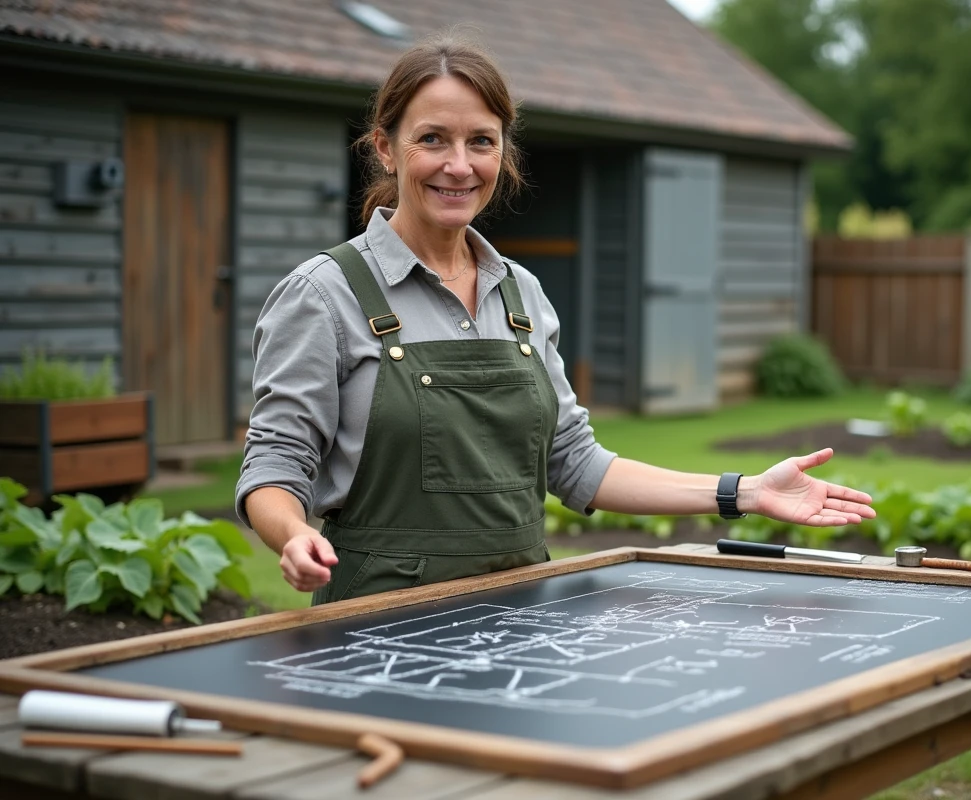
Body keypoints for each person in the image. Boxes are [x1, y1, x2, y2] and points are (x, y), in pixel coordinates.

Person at [236, 34, 874, 604]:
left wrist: (745, 492)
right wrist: (292, 534)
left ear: (501, 154)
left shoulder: (522, 295)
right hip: (379, 620)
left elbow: (574, 463)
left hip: (519, 610)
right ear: (386, 149)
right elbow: (273, 464)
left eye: (480, 142)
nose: (459, 165)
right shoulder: (323, 294)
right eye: (432, 138)